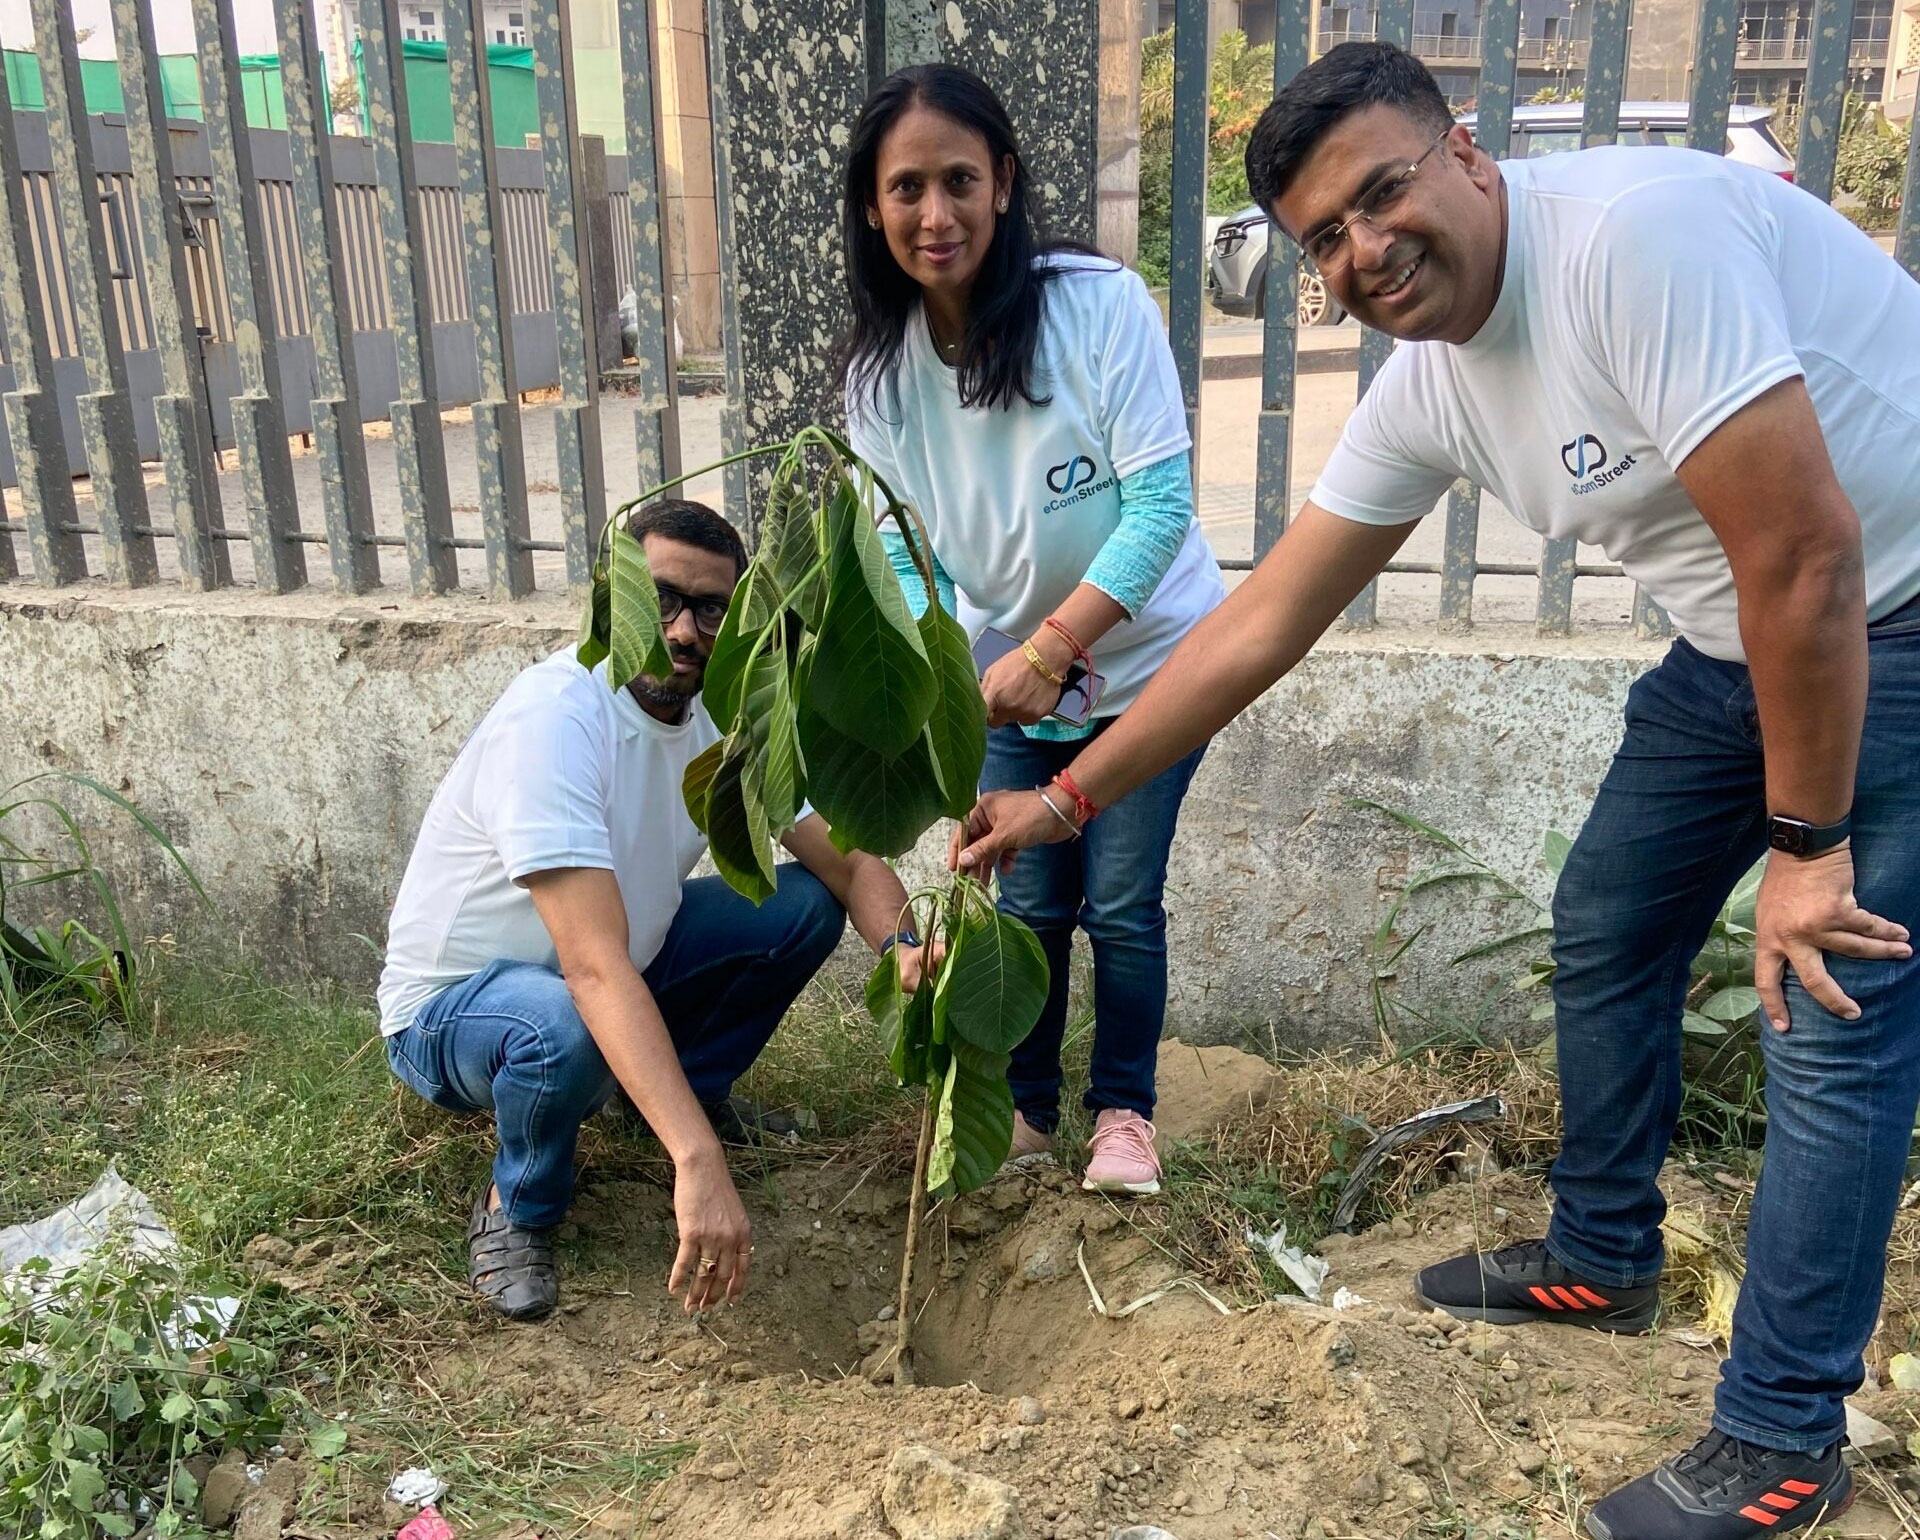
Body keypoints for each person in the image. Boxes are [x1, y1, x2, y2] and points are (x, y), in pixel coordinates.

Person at [951, 41, 1920, 1540]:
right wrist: (1065, 802)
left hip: (1891, 613)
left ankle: (1785, 1435)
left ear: (1466, 150)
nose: (1361, 251)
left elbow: (1811, 555)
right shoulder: (1431, 388)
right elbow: (1264, 619)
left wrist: (1807, 851)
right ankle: (1603, 1251)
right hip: (1743, 635)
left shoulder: (1632, 245)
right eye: (1322, 240)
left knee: (1828, 1000)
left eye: (1382, 193)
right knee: (1608, 916)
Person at [377, 499, 931, 1322]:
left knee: (802, 906)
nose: (682, 631)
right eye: (662, 598)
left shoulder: (722, 714)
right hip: (460, 1012)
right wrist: (699, 1163)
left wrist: (906, 948)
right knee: (560, 1026)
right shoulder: (557, 715)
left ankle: (678, 1096)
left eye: (710, 609)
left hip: (616, 968)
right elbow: (591, 967)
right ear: (616, 595)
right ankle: (516, 1205)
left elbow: (848, 860)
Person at [839, 63, 1226, 1197]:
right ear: (873, 205)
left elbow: (1160, 508)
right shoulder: (880, 377)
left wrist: (1053, 647)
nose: (936, 214)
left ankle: (1125, 1114)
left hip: (1151, 668)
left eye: (960, 179)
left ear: (1003, 181)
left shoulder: (1098, 306)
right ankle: (1027, 1110)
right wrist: (941, 687)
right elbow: (904, 554)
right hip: (1008, 681)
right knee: (1030, 900)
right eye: (906, 188)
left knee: (1117, 898)